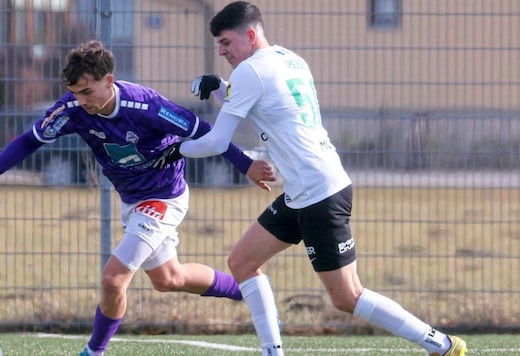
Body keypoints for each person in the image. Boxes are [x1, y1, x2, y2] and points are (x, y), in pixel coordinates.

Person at [161, 2, 468, 356]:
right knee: (242, 262)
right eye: (218, 45)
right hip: (303, 191)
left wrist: (174, 150)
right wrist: (221, 86)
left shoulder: (251, 73)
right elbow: (267, 100)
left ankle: (441, 344)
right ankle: (272, 351)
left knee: (347, 296)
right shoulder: (290, 59)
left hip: (319, 194)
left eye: (227, 42)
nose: (222, 51)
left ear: (250, 35)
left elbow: (216, 140)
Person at [0, 40, 276, 356]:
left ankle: (93, 352)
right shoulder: (72, 109)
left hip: (164, 198)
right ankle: (251, 291)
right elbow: (31, 139)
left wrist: (246, 165)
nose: (80, 100)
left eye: (87, 92)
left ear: (109, 81)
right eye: (74, 92)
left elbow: (204, 130)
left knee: (113, 279)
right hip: (133, 201)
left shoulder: (147, 107)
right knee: (169, 278)